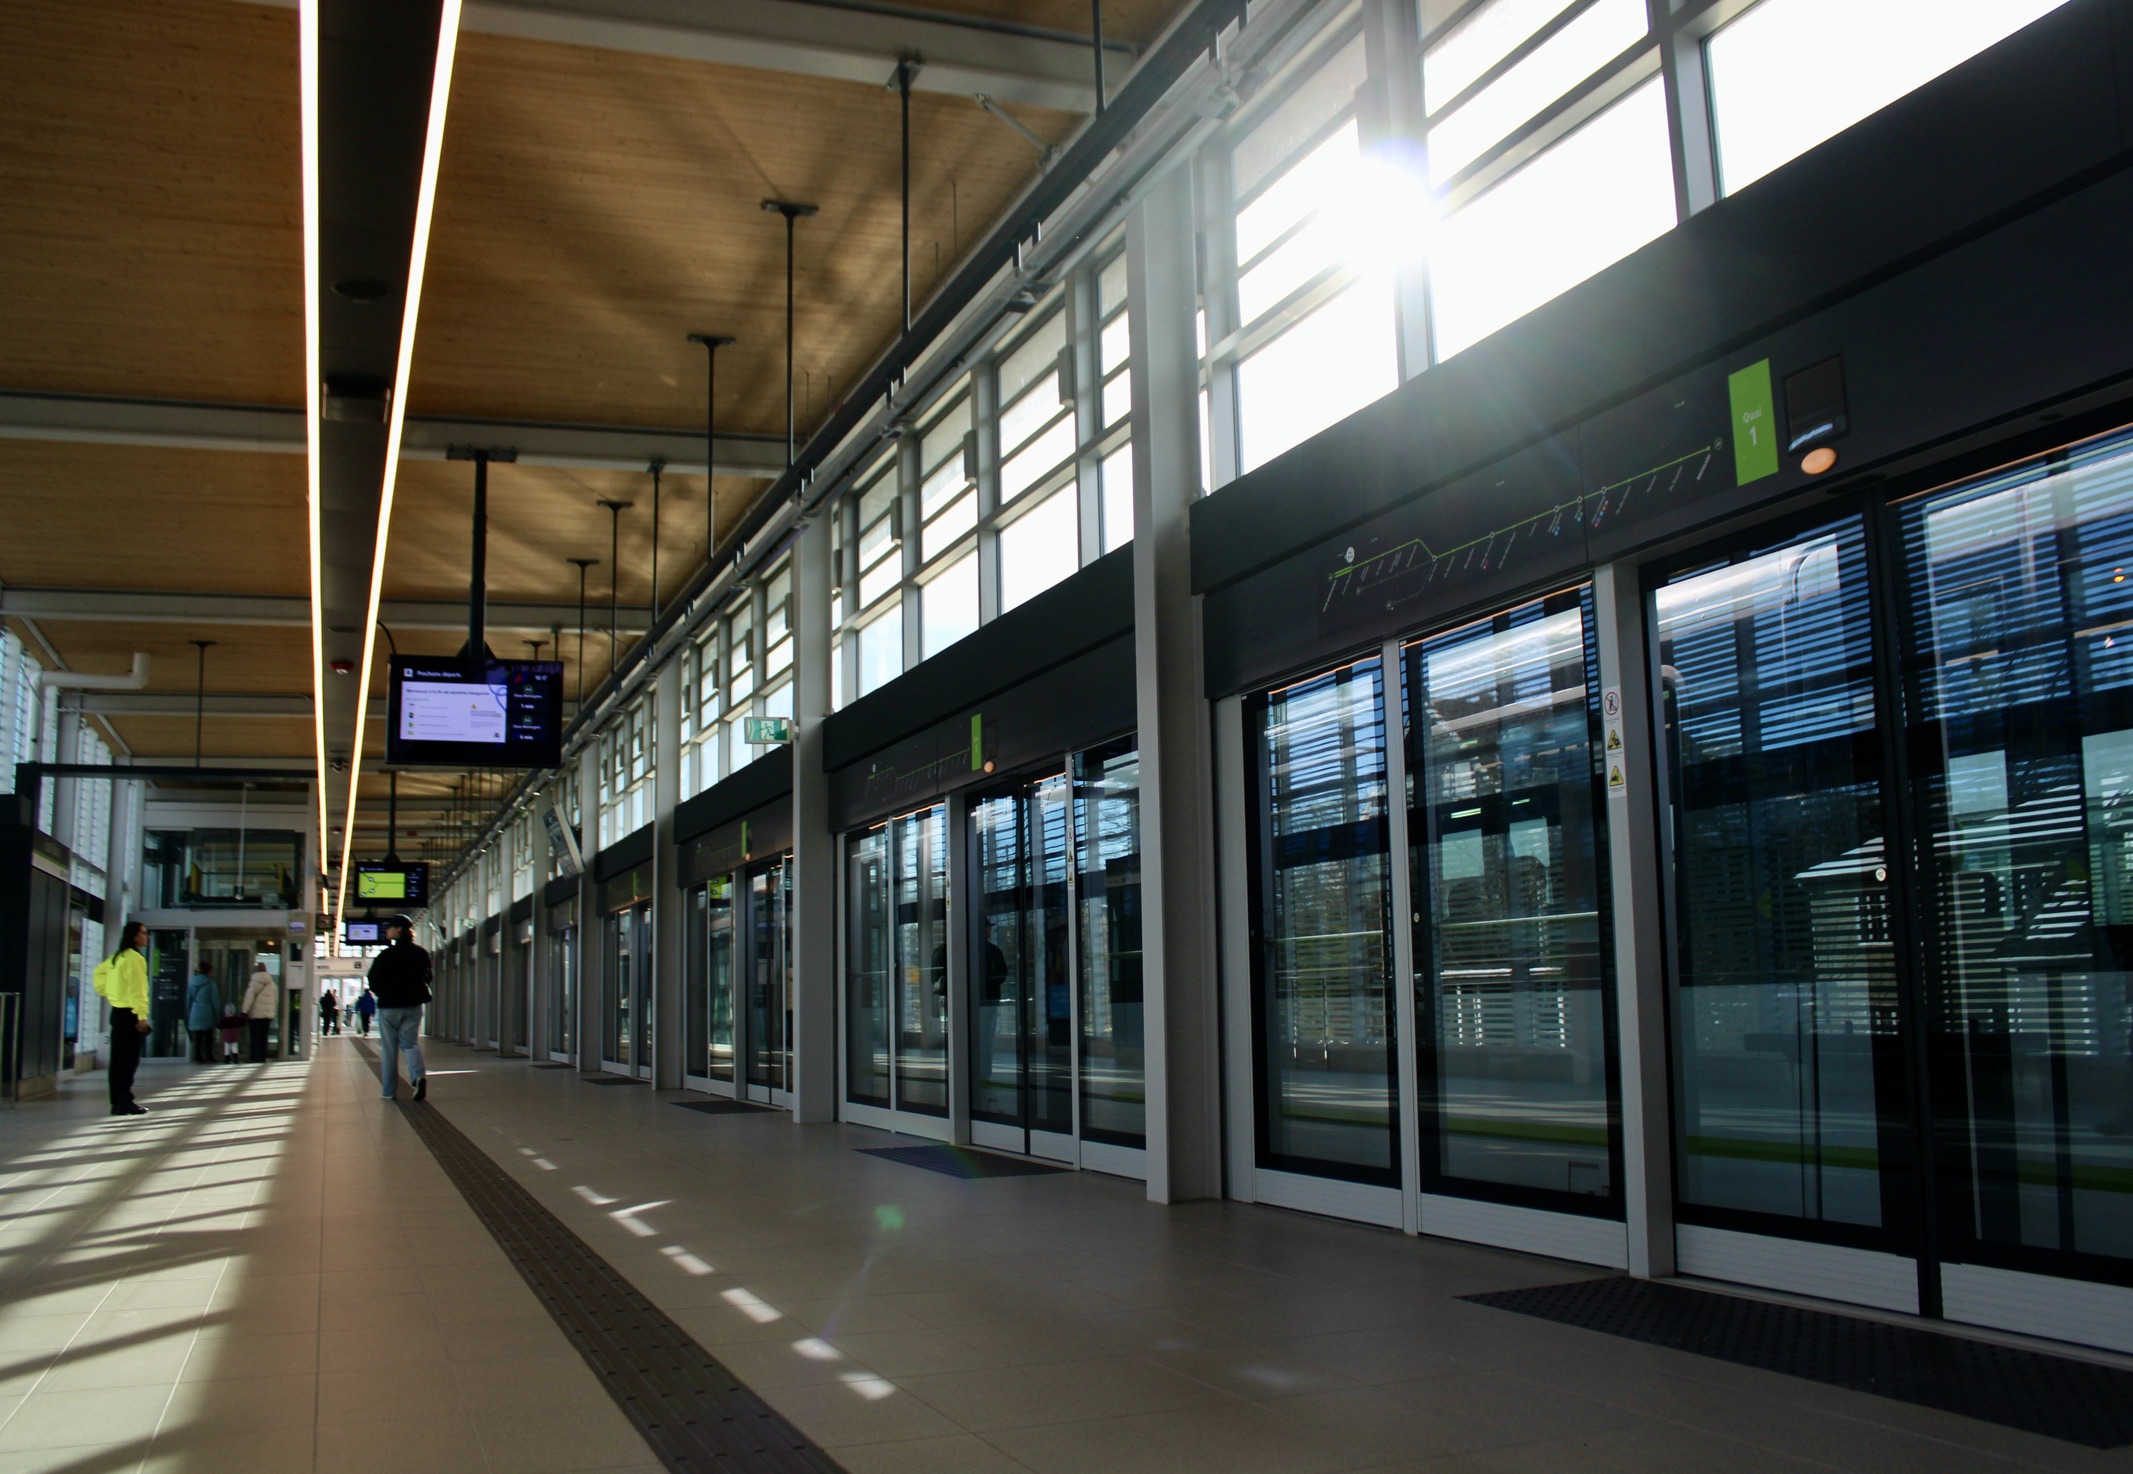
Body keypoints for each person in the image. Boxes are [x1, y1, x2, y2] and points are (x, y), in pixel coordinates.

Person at [367, 916, 432, 1102]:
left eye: (389, 928)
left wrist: (383, 993)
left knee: (389, 1050)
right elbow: (428, 977)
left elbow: (372, 979)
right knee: (410, 1044)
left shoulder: (386, 955)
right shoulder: (421, 953)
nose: (386, 931)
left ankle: (389, 1091)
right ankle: (418, 1077)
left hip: (390, 1007)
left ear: (399, 930)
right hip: (413, 1006)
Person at [91, 922, 152, 1116]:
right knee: (129, 1061)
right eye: (143, 933)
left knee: (117, 1060)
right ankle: (125, 1101)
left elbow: (98, 972)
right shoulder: (136, 959)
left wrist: (107, 990)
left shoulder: (117, 957)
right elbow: (139, 989)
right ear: (134, 936)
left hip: (117, 1012)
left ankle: (117, 1102)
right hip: (131, 1014)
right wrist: (142, 1016)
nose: (146, 937)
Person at [240, 960, 278, 1064]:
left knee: (255, 1037)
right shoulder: (272, 984)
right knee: (264, 1036)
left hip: (256, 1015)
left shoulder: (254, 982)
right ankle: (263, 1056)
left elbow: (249, 998)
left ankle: (255, 1057)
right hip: (267, 1015)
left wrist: (244, 1011)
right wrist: (273, 1013)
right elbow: (275, 1000)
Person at [184, 961, 219, 1064]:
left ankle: (198, 1057)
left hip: (195, 1011)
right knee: (209, 1035)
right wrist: (218, 1014)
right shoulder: (211, 984)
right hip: (208, 1012)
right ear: (208, 972)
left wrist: (188, 1012)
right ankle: (209, 1055)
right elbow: (215, 1000)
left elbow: (189, 999)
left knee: (198, 1036)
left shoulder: (192, 982)